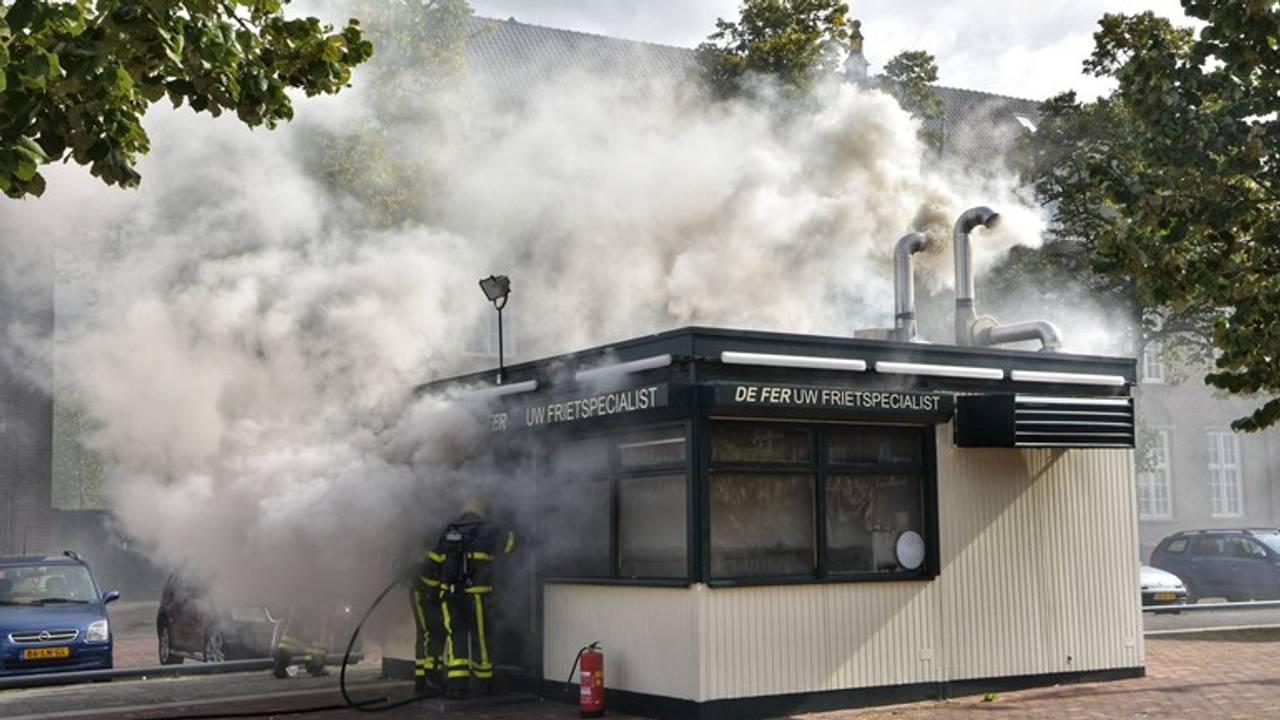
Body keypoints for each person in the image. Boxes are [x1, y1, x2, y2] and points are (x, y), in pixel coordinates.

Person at [428, 497, 515, 699]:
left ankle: (456, 686)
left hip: (449, 594)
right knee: (481, 636)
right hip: (477, 594)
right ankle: (484, 683)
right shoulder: (489, 529)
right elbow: (508, 546)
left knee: (456, 636)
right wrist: (508, 527)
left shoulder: (450, 530)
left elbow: (436, 560)